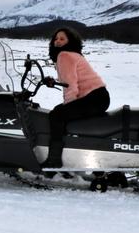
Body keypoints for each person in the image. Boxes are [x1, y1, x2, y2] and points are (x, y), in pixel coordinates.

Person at [41, 27, 110, 168]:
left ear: (70, 41)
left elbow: (70, 86)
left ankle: (54, 160)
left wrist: (68, 105)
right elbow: (72, 78)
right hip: (98, 97)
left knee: (57, 115)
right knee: (59, 112)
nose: (58, 41)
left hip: (93, 98)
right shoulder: (73, 54)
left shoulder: (64, 56)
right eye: (56, 39)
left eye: (62, 39)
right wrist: (53, 81)